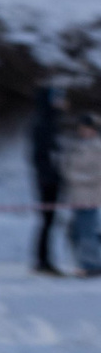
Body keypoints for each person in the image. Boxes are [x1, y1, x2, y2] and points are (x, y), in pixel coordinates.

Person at [32, 85, 64, 276]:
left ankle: (44, 260)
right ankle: (43, 261)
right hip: (47, 181)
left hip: (50, 178)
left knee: (49, 221)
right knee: (47, 220)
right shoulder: (43, 122)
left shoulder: (50, 120)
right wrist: (50, 175)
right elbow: (42, 155)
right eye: (57, 98)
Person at [65, 113, 101, 276]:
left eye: (87, 128)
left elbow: (96, 173)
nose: (84, 131)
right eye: (82, 128)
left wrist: (76, 177)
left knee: (88, 232)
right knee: (76, 233)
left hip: (90, 198)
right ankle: (85, 263)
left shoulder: (97, 148)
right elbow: (66, 167)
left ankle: (92, 265)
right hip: (77, 197)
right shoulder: (77, 147)